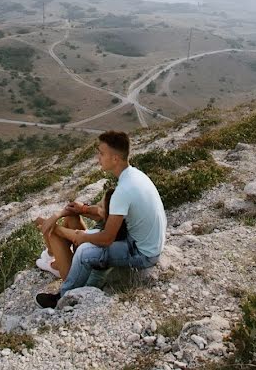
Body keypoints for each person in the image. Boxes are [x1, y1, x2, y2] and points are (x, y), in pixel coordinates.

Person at [35, 130, 167, 308]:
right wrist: (82, 210)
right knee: (87, 239)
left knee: (84, 252)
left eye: (101, 153)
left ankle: (63, 298)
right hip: (146, 244)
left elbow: (107, 238)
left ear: (115, 159)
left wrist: (82, 237)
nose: (98, 157)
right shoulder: (135, 176)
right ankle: (67, 272)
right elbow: (107, 214)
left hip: (142, 254)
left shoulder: (124, 190)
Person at [33, 187, 127, 279]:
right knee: (71, 217)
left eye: (101, 206)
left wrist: (45, 222)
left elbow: (75, 236)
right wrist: (63, 213)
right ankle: (52, 254)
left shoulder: (103, 234)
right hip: (86, 257)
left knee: (52, 231)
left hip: (79, 275)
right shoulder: (116, 221)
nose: (97, 204)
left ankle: (56, 265)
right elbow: (77, 209)